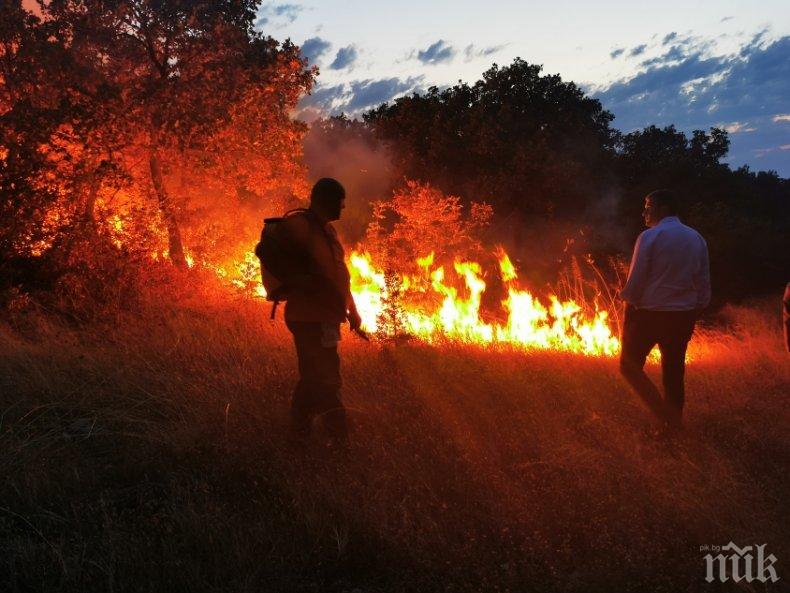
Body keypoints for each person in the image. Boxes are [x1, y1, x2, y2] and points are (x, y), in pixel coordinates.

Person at [619, 189, 711, 433]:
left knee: (628, 367)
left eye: (647, 207)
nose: (644, 213)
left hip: (650, 313)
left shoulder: (650, 237)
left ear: (661, 207)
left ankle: (665, 417)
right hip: (682, 315)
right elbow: (703, 281)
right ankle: (674, 424)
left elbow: (636, 280)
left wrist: (628, 313)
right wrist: (694, 310)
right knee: (673, 371)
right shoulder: (696, 238)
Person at [281, 178, 362, 445]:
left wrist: (352, 309)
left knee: (315, 375)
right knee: (326, 376)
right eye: (340, 202)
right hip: (308, 317)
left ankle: (299, 431)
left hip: (326, 316)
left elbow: (339, 274)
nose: (343, 207)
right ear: (325, 200)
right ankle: (338, 437)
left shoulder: (328, 232)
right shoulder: (301, 228)